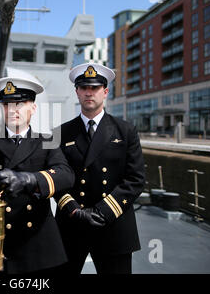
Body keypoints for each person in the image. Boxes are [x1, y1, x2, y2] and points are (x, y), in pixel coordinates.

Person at [0, 76, 74, 274]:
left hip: (37, 244)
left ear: (33, 108)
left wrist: (30, 179)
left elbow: (65, 175)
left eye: (20, 103)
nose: (13, 109)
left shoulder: (47, 141)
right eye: (7, 104)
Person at [54, 63, 145, 274]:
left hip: (113, 225)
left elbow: (135, 179)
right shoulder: (61, 133)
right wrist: (74, 209)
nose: (89, 92)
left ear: (105, 92)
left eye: (94, 88)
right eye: (84, 88)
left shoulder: (126, 131)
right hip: (72, 225)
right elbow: (57, 178)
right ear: (76, 91)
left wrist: (101, 212)